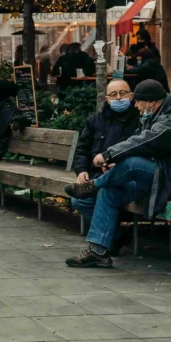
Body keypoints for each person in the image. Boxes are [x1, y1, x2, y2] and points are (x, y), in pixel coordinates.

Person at [64, 79, 171, 267]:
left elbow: (146, 141)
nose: (134, 105)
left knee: (130, 164)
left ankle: (93, 186)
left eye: (137, 101)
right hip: (157, 177)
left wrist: (108, 155)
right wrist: (115, 163)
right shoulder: (153, 115)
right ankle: (99, 253)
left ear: (151, 102)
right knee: (109, 191)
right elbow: (139, 143)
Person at [70, 80, 140, 241]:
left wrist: (119, 163)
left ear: (131, 96)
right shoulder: (96, 119)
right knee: (79, 201)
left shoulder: (139, 119)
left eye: (122, 93)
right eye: (113, 94)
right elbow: (82, 149)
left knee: (105, 194)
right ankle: (115, 236)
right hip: (97, 175)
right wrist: (81, 171)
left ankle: (104, 242)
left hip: (125, 176)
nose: (118, 98)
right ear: (107, 99)